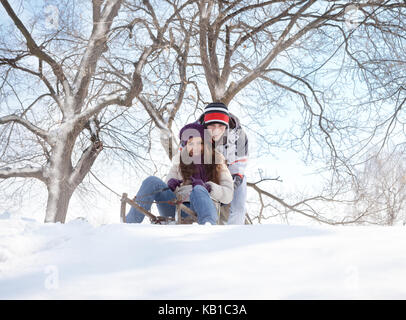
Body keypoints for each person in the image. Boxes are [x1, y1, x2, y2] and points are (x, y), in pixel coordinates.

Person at [126, 123, 233, 225]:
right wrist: (171, 186)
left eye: (199, 143)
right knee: (152, 181)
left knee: (199, 189)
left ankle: (207, 228)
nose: (194, 147)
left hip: (204, 209)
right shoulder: (178, 164)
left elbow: (228, 195)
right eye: (191, 143)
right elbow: (167, 190)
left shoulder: (217, 163)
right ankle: (129, 224)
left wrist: (209, 187)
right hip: (177, 208)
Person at [196, 102, 249, 225]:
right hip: (204, 174)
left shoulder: (239, 137)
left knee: (239, 205)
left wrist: (228, 189)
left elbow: (238, 169)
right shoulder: (193, 133)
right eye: (212, 126)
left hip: (231, 175)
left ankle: (234, 232)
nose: (216, 130)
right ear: (205, 124)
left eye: (220, 126)